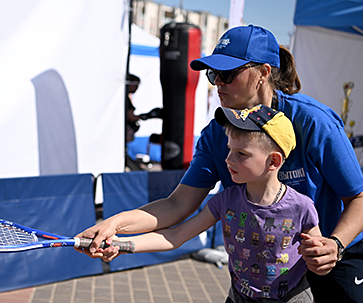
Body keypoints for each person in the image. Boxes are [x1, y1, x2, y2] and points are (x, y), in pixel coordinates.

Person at [78, 25, 363, 302]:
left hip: (330, 251)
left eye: (228, 74)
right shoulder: (218, 133)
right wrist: (114, 225)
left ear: (263, 73)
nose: (218, 84)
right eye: (213, 74)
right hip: (264, 276)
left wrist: (334, 244)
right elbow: (177, 206)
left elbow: (358, 197)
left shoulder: (314, 121)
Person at [105, 105, 321, 302]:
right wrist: (123, 245)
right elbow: (175, 235)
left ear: (273, 161)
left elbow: (319, 257)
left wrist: (322, 255)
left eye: (241, 154)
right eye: (229, 150)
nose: (228, 159)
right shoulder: (225, 201)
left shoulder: (301, 207)